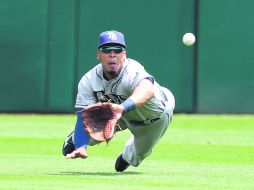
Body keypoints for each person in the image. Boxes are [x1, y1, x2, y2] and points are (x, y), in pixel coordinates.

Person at [62, 30, 175, 172]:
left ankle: (127, 156)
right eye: (107, 49)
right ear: (98, 55)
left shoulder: (132, 70)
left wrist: (122, 108)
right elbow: (83, 116)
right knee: (90, 127)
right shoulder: (89, 80)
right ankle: (73, 139)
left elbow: (147, 90)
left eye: (118, 50)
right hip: (117, 114)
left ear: (124, 55)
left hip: (154, 118)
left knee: (137, 156)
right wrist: (80, 146)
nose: (112, 54)